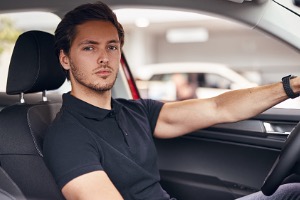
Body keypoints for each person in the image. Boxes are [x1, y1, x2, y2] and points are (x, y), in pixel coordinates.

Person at [43, 1, 300, 200]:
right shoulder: (67, 136)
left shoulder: (136, 111)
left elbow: (217, 107)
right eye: (89, 47)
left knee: (292, 191)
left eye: (111, 47)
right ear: (65, 59)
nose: (103, 58)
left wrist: (291, 86)